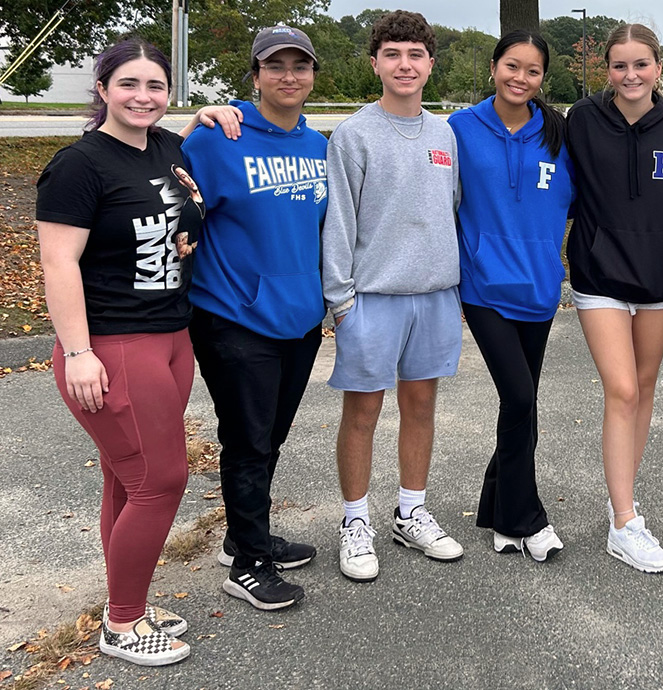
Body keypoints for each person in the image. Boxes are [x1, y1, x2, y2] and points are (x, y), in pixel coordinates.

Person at [36, 37, 201, 666]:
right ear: (102, 89)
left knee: (126, 479)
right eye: (128, 84)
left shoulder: (168, 146)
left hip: (171, 339)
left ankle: (126, 598)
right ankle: (123, 623)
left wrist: (203, 120)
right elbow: (58, 262)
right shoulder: (79, 165)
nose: (143, 96)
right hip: (113, 344)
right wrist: (79, 352)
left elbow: (175, 201)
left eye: (155, 86)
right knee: (161, 481)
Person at [180, 25, 328, 610]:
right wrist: (194, 122)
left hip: (300, 317)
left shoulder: (319, 145)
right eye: (275, 66)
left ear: (314, 75)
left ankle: (247, 532)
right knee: (247, 439)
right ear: (256, 75)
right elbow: (159, 174)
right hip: (233, 316)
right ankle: (247, 562)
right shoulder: (221, 139)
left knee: (271, 436)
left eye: (300, 65)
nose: (288, 76)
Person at [322, 10, 464, 582]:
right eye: (392, 54)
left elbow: (448, 210)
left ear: (430, 64)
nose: (404, 64)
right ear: (375, 62)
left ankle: (411, 511)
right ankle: (355, 522)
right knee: (363, 411)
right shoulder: (354, 134)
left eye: (415, 54)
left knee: (421, 407)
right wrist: (343, 301)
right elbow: (339, 222)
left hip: (433, 296)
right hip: (372, 298)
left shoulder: (444, 132)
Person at [565, 23, 663, 574]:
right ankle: (625, 523)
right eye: (620, 65)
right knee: (620, 389)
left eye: (641, 64)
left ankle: (624, 497)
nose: (630, 75)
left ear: (658, 68)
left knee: (642, 388)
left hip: (661, 278)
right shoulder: (582, 121)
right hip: (599, 275)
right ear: (608, 71)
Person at [448, 30, 574, 562]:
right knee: (520, 397)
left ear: (544, 78)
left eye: (533, 71)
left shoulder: (559, 133)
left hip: (540, 287)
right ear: (494, 66)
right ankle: (527, 518)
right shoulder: (458, 128)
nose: (520, 78)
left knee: (518, 402)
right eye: (511, 66)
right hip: (482, 287)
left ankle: (498, 506)